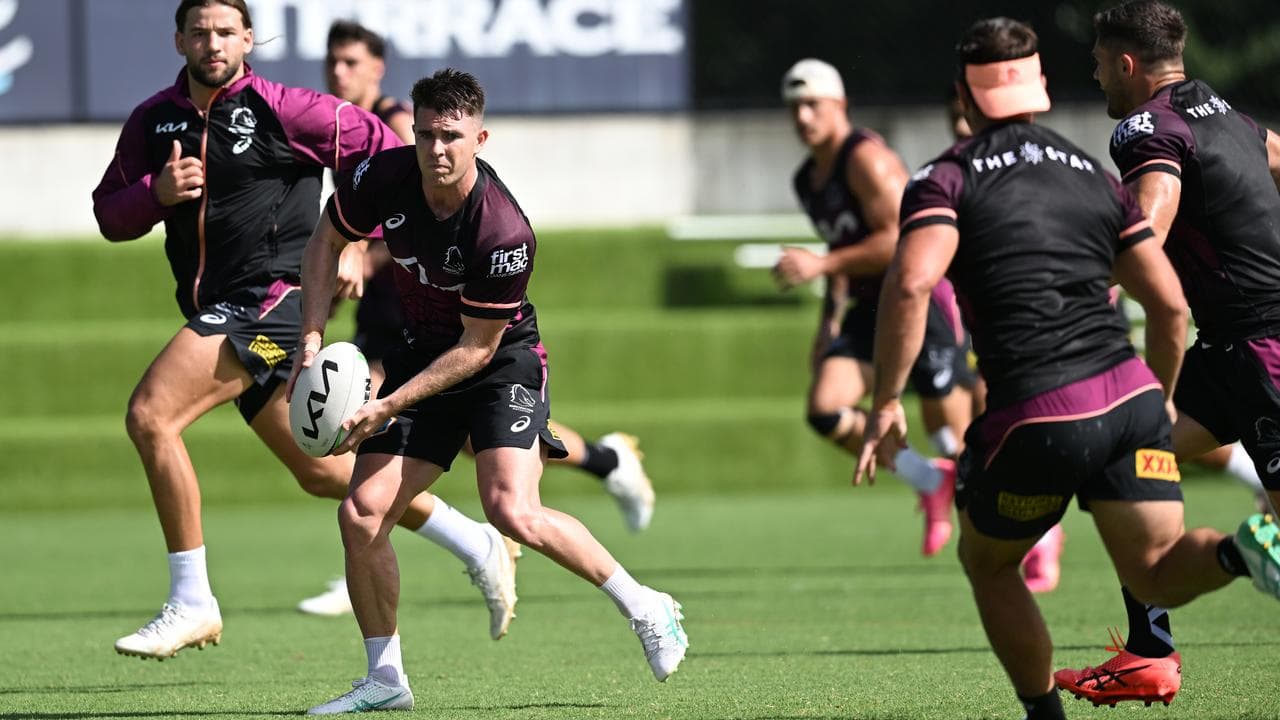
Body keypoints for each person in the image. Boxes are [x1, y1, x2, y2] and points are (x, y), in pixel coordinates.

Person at [856, 17, 1270, 719]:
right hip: (1135, 397)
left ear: (963, 95)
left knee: (988, 563)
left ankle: (1044, 716)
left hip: (1040, 412)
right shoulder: (1091, 174)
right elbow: (1168, 308)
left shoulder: (944, 178)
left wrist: (886, 401)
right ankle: (1238, 553)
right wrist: (1156, 405)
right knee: (1156, 572)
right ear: (1040, 87)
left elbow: (910, 285)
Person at [91, 0, 522, 660]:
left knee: (151, 416)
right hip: (230, 321)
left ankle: (192, 599)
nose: (213, 43)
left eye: (226, 31)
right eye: (200, 32)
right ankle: (477, 542)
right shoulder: (155, 120)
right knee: (325, 472)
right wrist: (156, 193)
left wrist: (359, 240)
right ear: (179, 38)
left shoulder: (286, 108)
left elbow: (389, 154)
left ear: (248, 38)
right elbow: (109, 214)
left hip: (272, 304)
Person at [293, 68, 688, 714]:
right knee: (361, 514)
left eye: (451, 136)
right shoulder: (383, 177)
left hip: (500, 361)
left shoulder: (502, 232)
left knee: (511, 508)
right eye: (425, 135)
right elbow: (325, 240)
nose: (436, 150)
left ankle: (648, 607)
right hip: (425, 351)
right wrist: (311, 337)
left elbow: (475, 349)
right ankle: (386, 680)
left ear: (480, 137)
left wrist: (389, 402)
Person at [1054, 0, 1280, 706]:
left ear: (1127, 63)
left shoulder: (1146, 127)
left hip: (1262, 349)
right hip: (1225, 353)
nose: (1094, 77)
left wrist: (1086, 279)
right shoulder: (1231, 118)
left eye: (1097, 64)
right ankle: (1150, 652)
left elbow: (1150, 216)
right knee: (1115, 462)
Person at [776, 59, 971, 557]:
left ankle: (1037, 534)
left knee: (954, 437)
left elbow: (904, 240)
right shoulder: (807, 178)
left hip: (917, 299)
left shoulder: (866, 159)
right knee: (825, 407)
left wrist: (820, 265)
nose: (802, 116)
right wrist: (829, 323)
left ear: (840, 105)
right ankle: (928, 482)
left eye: (812, 104)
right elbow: (844, 249)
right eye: (794, 107)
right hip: (868, 305)